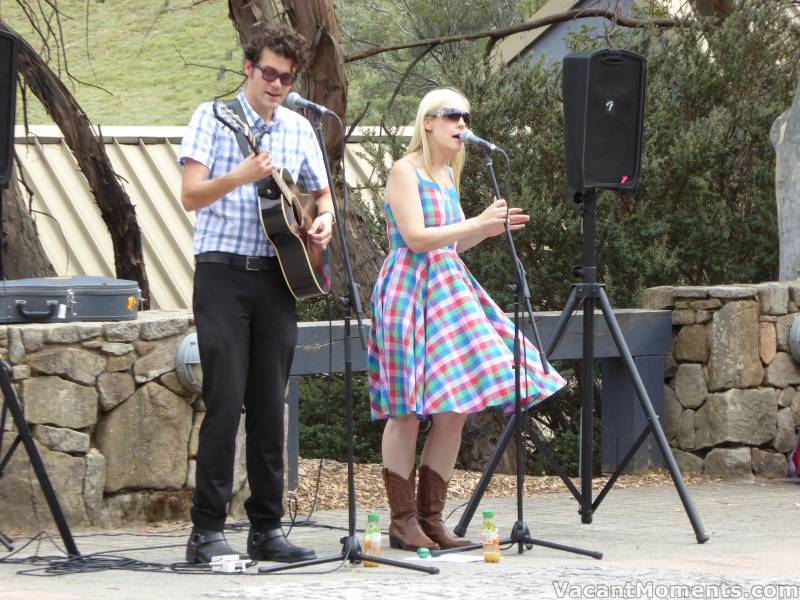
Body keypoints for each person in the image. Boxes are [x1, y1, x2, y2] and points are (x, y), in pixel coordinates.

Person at [367, 88, 566, 551]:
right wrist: (476, 222)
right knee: (407, 409)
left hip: (447, 290)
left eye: (466, 116)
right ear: (429, 122)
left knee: (454, 408)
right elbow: (416, 238)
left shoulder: (446, 175)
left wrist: (485, 230)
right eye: (452, 116)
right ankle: (402, 521)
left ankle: (431, 518)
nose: (462, 124)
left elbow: (450, 245)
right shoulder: (405, 170)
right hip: (408, 292)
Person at [178, 23, 334, 564]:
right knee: (225, 400)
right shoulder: (213, 118)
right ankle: (206, 531)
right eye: (268, 73)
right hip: (222, 271)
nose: (276, 85)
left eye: (286, 78)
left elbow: (321, 196)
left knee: (270, 403)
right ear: (249, 66)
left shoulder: (298, 127)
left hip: (279, 275)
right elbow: (190, 196)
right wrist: (241, 174)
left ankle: (266, 529)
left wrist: (323, 223)